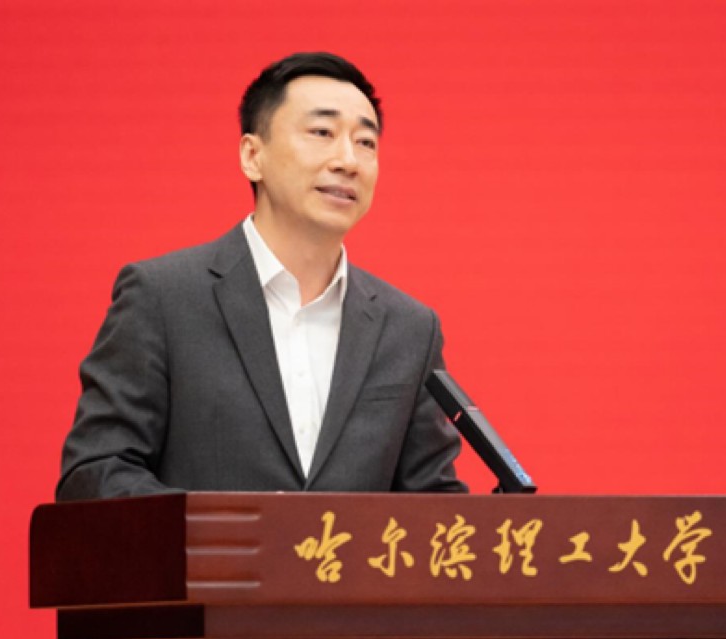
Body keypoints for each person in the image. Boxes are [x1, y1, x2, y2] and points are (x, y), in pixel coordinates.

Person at [56, 52, 466, 500]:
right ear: (253, 156)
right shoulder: (163, 298)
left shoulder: (409, 329)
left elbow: (435, 508)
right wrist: (228, 530)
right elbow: (97, 472)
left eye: (366, 142)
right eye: (322, 133)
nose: (348, 160)